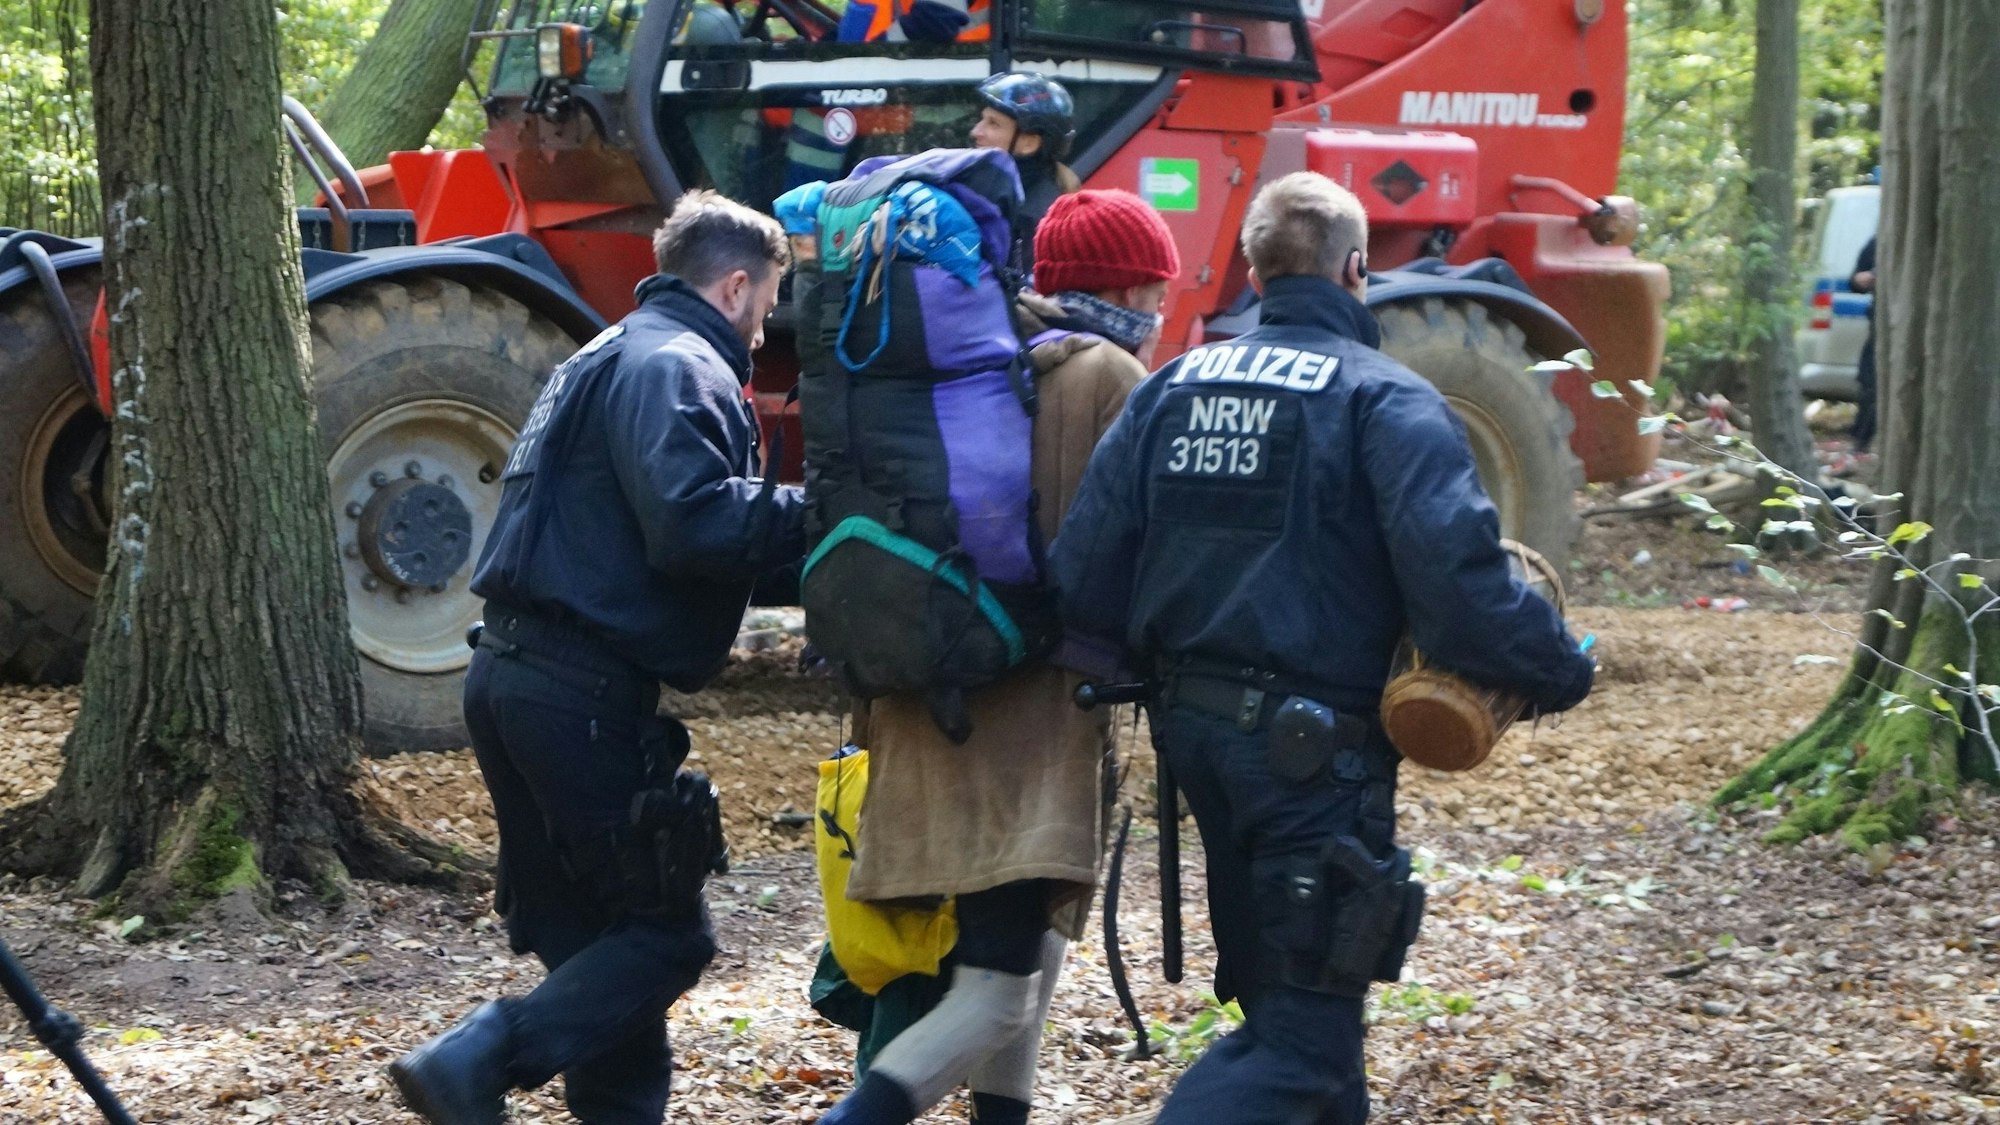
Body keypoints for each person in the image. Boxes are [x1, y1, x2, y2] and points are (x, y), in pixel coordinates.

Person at [1049, 173, 1595, 1124]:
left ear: (1257, 269)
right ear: (1355, 267)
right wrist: (1558, 664)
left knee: (1302, 1019)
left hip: (1200, 747)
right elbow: (1462, 590)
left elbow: (1083, 580)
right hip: (1313, 763)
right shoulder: (1386, 398)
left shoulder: (1172, 386)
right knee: (1302, 1042)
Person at [388, 190, 805, 1125]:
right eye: (768, 306)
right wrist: (824, 518)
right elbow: (693, 522)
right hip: (579, 690)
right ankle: (481, 1055)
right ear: (736, 286)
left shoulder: (604, 352)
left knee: (592, 941)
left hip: (509, 676)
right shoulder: (682, 363)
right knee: (664, 938)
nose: (762, 327)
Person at [816, 189, 1182, 1125]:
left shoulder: (984, 362)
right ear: (1134, 283)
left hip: (928, 697)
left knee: (1029, 956)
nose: (1163, 306)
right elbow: (1151, 555)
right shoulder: (1108, 374)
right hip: (1029, 725)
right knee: (995, 987)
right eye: (1158, 286)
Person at [969, 72, 1081, 275]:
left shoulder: (1032, 219)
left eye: (993, 123)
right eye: (982, 119)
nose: (976, 131)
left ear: (1029, 143)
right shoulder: (1007, 194)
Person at [1850, 234, 1878, 453]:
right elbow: (1855, 280)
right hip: (1881, 325)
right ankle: (1862, 440)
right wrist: (1863, 279)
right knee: (1869, 382)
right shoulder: (1879, 242)